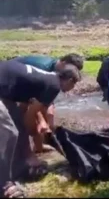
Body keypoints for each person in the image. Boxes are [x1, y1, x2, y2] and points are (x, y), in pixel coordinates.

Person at [0, 61, 81, 198]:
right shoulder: (54, 85)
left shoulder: (46, 78)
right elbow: (30, 119)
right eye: (74, 84)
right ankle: (4, 185)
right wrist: (34, 147)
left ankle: (18, 167)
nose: (73, 88)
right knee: (9, 133)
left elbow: (24, 111)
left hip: (5, 91)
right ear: (69, 80)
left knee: (16, 125)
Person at [12, 53, 84, 153]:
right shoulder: (43, 69)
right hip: (13, 83)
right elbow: (33, 103)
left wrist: (49, 123)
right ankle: (25, 153)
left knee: (41, 115)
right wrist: (41, 121)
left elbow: (45, 101)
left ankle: (38, 146)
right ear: (64, 63)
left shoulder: (56, 73)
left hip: (22, 84)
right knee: (21, 118)